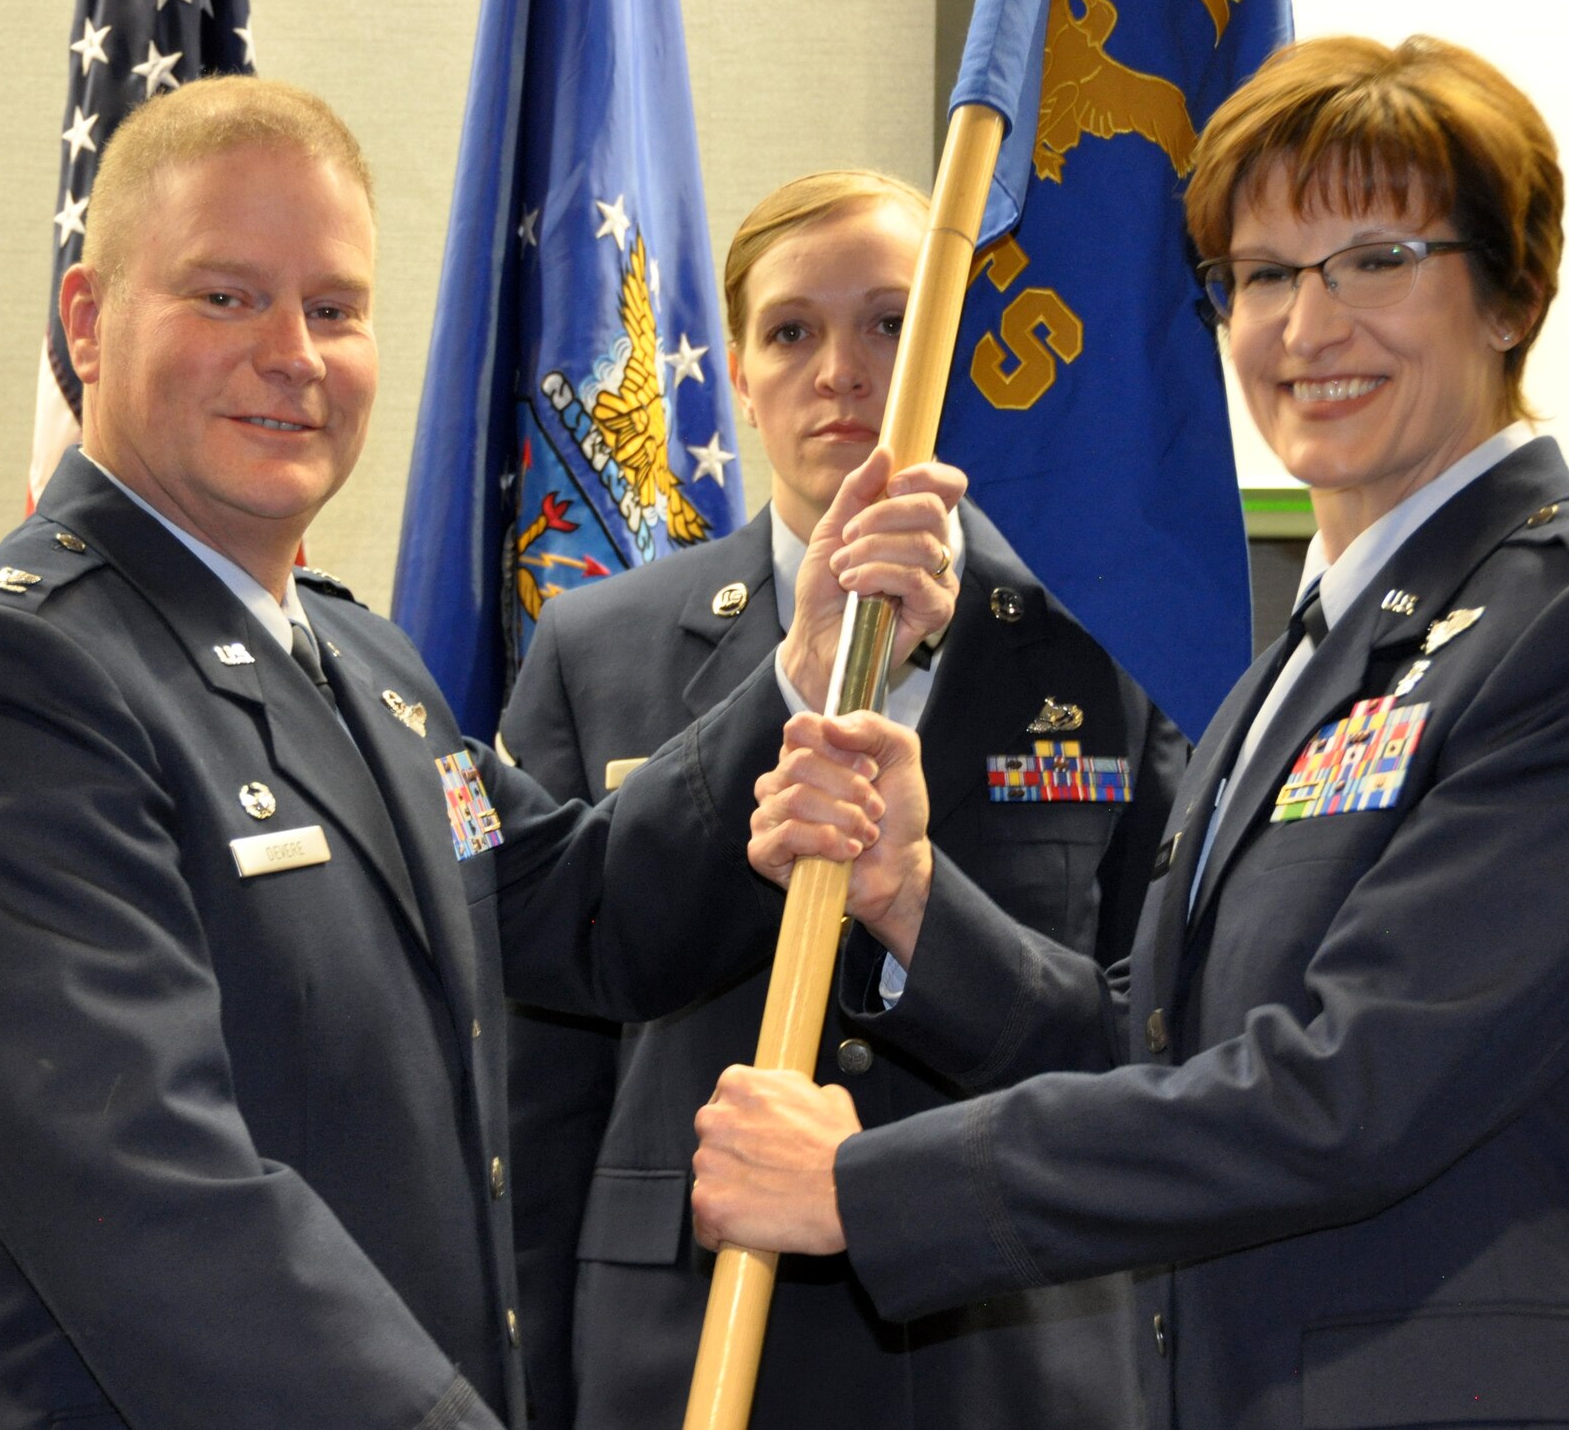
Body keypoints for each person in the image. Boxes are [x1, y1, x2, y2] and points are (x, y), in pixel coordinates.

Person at [0, 80, 951, 1430]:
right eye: (227, 296)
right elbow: (156, 1202)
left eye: (336, 307)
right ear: (88, 318)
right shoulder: (7, 689)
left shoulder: (364, 665)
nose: (292, 353)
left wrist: (801, 665)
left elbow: (582, 908)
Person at [694, 35, 1569, 1430]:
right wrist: (914, 899)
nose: (1309, 329)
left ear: (1512, 293)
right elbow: (1161, 1044)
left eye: (1377, 257)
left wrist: (867, 1186)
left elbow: (1350, 1088)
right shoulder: (1289, 673)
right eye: (1263, 275)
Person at [499, 170, 1185, 1430]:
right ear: (740, 376)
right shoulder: (599, 646)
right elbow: (543, 1076)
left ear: (954, 352)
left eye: (887, 321)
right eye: (790, 332)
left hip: (1013, 1341)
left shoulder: (1104, 653)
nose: (841, 371)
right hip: (688, 1341)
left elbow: (1154, 1041)